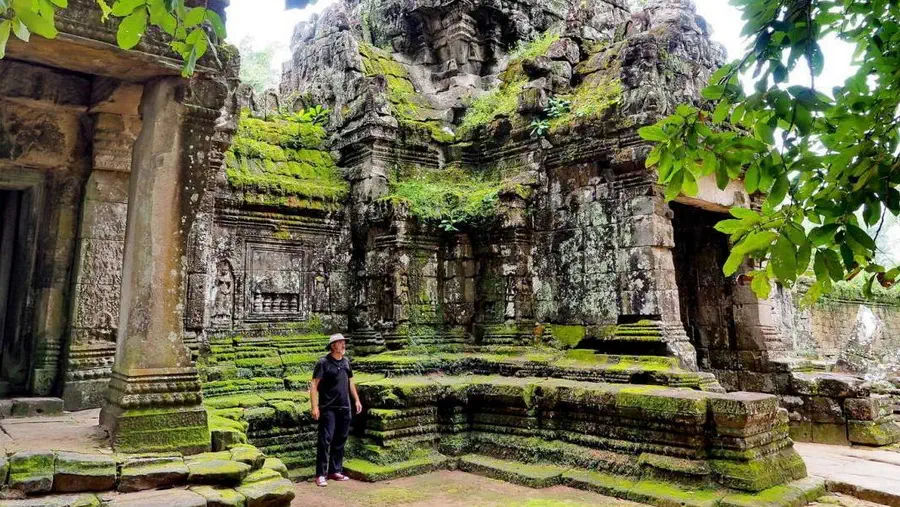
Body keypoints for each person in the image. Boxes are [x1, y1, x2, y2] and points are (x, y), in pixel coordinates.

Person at [310, 333, 362, 487]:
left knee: (341, 438)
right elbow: (314, 385)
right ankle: (320, 474)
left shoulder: (346, 362)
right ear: (333, 346)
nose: (343, 345)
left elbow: (350, 382)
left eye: (344, 342)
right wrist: (314, 407)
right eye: (340, 343)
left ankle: (335, 470)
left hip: (345, 406)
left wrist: (356, 400)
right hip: (328, 408)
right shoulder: (323, 363)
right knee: (325, 440)